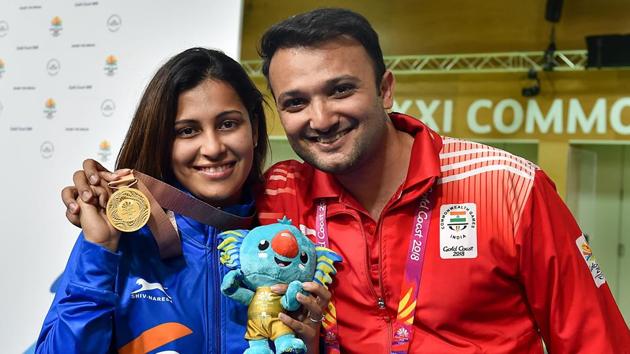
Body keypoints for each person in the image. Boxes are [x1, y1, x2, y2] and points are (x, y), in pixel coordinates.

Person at [63, 8, 630, 354]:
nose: (321, 118)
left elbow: (596, 341)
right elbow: (195, 202)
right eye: (295, 101)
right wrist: (108, 199)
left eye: (340, 89)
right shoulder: (280, 193)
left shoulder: (508, 189)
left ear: (385, 88)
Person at [38, 47, 325, 354]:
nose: (213, 147)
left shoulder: (281, 242)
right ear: (164, 140)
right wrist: (99, 251)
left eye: (228, 124)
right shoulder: (119, 239)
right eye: (187, 131)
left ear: (254, 129)